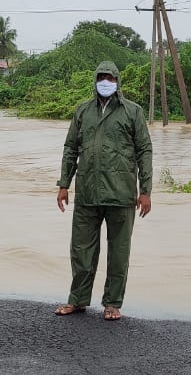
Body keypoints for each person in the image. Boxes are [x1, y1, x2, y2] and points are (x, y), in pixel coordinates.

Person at [54, 61, 152, 321]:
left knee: (119, 253)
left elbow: (144, 151)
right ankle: (77, 300)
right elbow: (70, 149)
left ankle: (112, 303)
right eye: (101, 77)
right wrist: (64, 184)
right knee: (81, 251)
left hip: (121, 195)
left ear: (117, 81)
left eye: (110, 78)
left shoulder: (132, 111)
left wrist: (146, 191)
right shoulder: (83, 111)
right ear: (95, 80)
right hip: (86, 192)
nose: (105, 82)